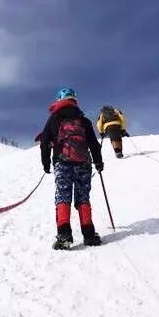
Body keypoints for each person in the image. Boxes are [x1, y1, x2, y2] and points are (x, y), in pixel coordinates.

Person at [39, 88, 104, 250]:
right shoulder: (83, 120)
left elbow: (44, 141)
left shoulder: (54, 118)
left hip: (62, 162)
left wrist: (46, 163)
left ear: (59, 100)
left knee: (63, 196)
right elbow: (93, 144)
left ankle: (64, 236)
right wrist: (98, 162)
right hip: (83, 163)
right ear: (75, 100)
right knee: (83, 197)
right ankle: (89, 235)